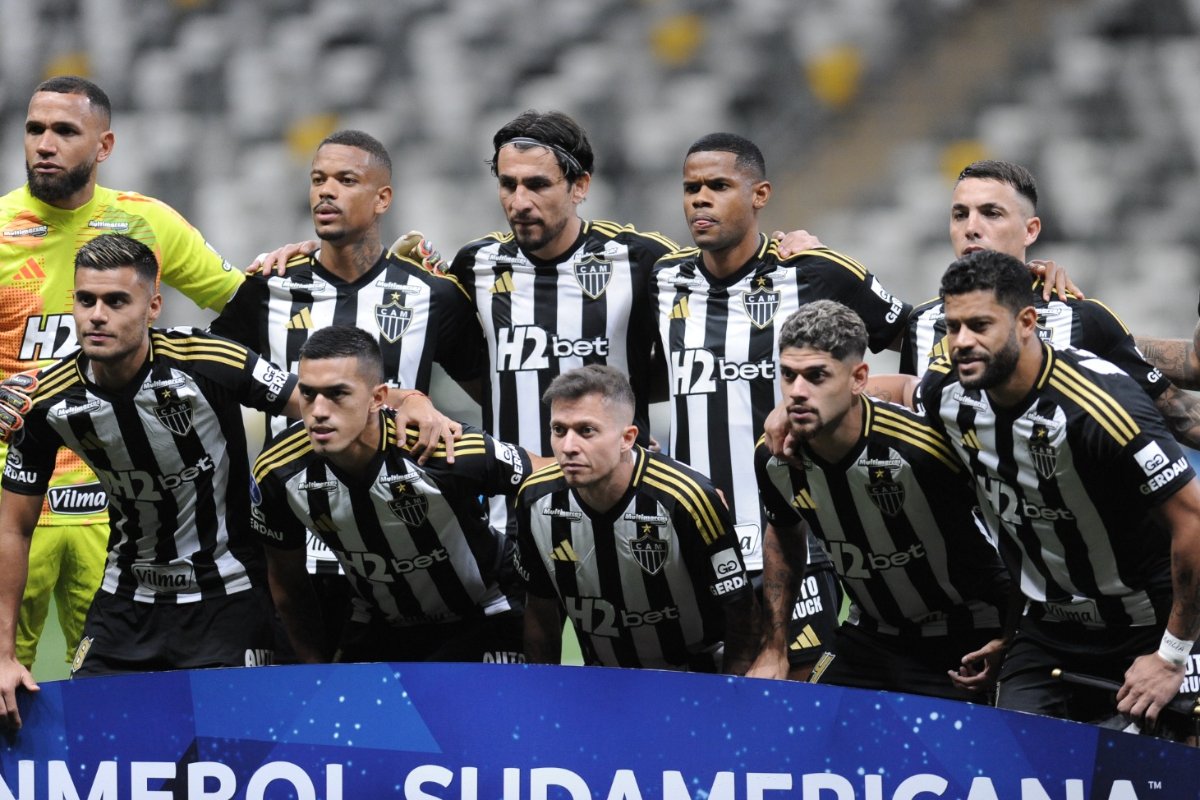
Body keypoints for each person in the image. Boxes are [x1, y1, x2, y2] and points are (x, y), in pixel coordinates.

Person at [0, 234, 302, 729]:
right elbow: (13, 528)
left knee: (229, 758)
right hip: (126, 604)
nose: (97, 314)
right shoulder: (48, 403)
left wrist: (402, 407)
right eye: (86, 300)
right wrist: (3, 656)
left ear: (152, 306)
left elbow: (321, 407)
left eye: (117, 300)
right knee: (99, 749)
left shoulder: (210, 361)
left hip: (226, 600)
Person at [0, 76, 250, 673]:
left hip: (117, 511)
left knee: (117, 696)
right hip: (12, 499)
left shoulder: (147, 223)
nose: (45, 144)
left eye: (65, 131)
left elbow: (244, 305)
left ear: (104, 146)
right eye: (35, 129)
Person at [650, 133, 913, 676]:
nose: (700, 199)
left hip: (797, 538)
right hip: (697, 540)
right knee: (705, 705)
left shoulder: (817, 272)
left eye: (718, 186)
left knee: (794, 700)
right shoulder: (660, 277)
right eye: (691, 188)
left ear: (759, 194)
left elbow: (914, 333)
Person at [209, 130, 480, 653]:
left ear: (383, 199)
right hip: (289, 546)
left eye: (345, 180)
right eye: (318, 179)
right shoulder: (268, 288)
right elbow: (215, 376)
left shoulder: (433, 295)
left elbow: (490, 390)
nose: (325, 192)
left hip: (395, 544)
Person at [919, 249, 1200, 730]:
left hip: (1146, 629)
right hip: (1046, 631)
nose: (961, 342)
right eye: (952, 326)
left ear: (1026, 321)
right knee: (1009, 772)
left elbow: (1194, 523)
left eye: (980, 325)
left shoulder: (1101, 405)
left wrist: (1171, 655)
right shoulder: (946, 395)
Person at [748, 300, 1013, 699]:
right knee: (798, 737)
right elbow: (783, 534)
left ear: (859, 379)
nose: (797, 393)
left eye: (817, 376)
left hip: (967, 642)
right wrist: (773, 648)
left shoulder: (923, 451)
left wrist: (1012, 640)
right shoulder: (775, 457)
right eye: (789, 375)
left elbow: (1016, 534)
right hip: (870, 636)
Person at [251, 326, 549, 664]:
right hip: (380, 624)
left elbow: (546, 476)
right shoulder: (278, 471)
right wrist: (314, 672)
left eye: (337, 394)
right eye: (308, 394)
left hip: (485, 611)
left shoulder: (439, 447)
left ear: (377, 398)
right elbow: (288, 587)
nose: (318, 410)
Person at [895, 160, 1200, 449]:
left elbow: (1182, 417)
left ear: (1031, 230)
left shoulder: (1084, 319)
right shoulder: (920, 324)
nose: (971, 227)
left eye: (991, 213)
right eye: (960, 214)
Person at [515, 365, 759, 673]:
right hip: (604, 681)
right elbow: (540, 609)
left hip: (698, 678)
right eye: (559, 430)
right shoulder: (535, 500)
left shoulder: (686, 498)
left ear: (627, 438)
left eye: (586, 431)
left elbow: (741, 610)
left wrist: (731, 695)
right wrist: (544, 695)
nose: (568, 447)